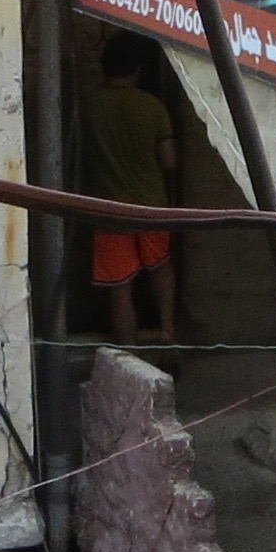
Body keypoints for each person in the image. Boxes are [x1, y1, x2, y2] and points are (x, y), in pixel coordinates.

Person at [87, 33, 182, 346]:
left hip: (109, 213)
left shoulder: (91, 106)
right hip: (152, 208)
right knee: (161, 270)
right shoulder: (152, 107)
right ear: (139, 71)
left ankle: (129, 356)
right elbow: (169, 162)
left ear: (104, 68)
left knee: (120, 289)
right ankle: (168, 334)